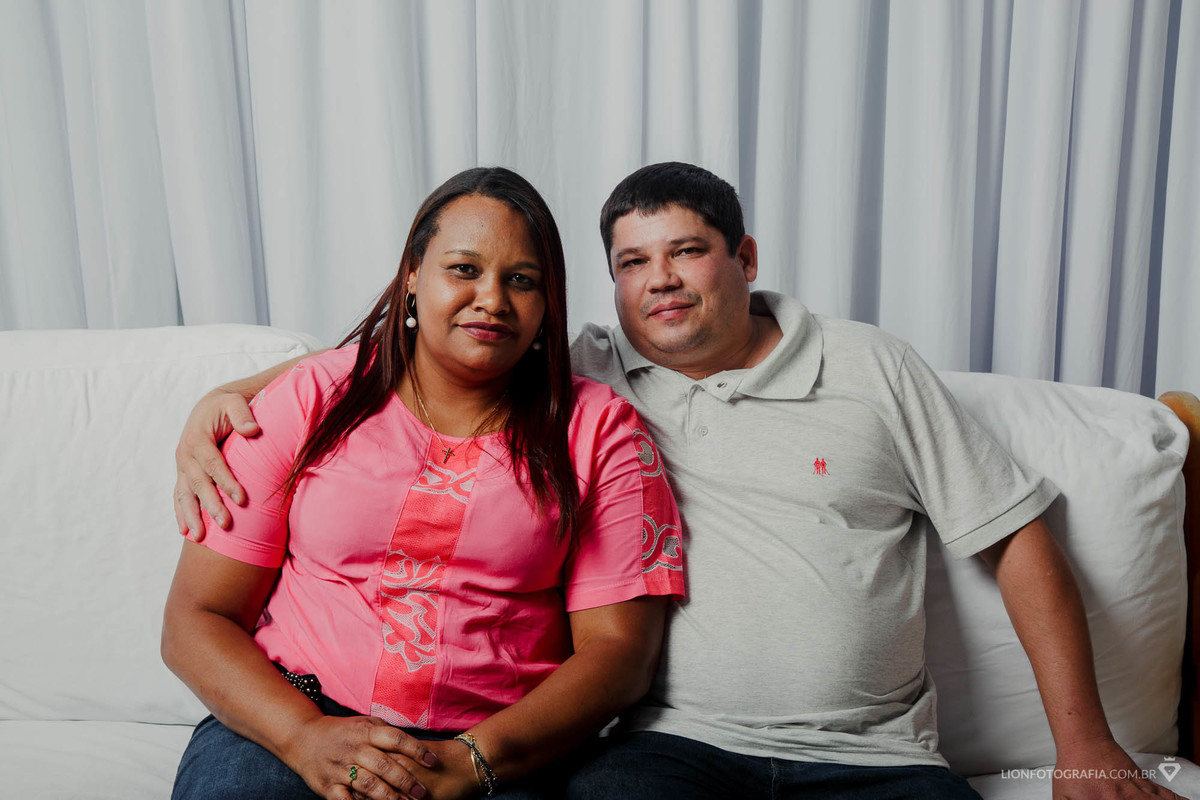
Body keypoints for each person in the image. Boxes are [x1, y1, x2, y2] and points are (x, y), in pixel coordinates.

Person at [174, 163, 1180, 800]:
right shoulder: (581, 370)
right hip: (669, 750)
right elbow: (415, 353)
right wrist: (230, 395)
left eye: (687, 251)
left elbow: (1016, 537)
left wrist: (1085, 744)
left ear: (743, 257)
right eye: (632, 262)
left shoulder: (853, 370)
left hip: (871, 756)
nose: (660, 279)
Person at [163, 166, 685, 800]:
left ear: (549, 301)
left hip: (496, 748)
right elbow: (197, 618)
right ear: (412, 275)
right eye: (464, 270)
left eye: (522, 280)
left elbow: (619, 654)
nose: (492, 300)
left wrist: (471, 762)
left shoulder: (599, 432)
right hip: (288, 720)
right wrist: (304, 736)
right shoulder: (311, 398)